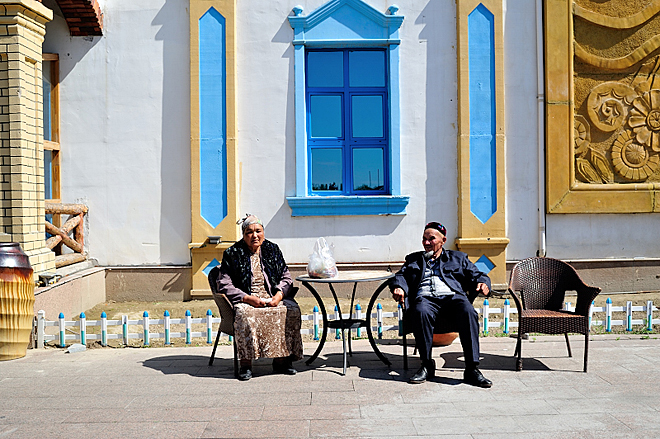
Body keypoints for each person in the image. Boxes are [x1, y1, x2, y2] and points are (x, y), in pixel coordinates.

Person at [390, 222, 492, 387]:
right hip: (426, 299)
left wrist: (482, 282)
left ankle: (472, 369)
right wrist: (398, 287)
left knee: (468, 311)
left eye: (432, 239)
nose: (427, 243)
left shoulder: (458, 258)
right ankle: (426, 364)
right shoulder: (414, 259)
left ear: (443, 240)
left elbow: (478, 274)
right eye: (424, 239)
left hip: (452, 298)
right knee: (420, 310)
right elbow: (400, 275)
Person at [216, 214, 303, 380]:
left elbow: (286, 277)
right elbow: (224, 284)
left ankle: (282, 361)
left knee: (291, 310)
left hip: (271, 296)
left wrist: (278, 295)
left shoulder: (273, 249)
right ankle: (246, 364)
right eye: (249, 232)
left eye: (258, 231)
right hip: (246, 299)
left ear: (263, 232)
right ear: (243, 235)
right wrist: (248, 299)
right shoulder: (232, 253)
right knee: (245, 314)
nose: (254, 235)